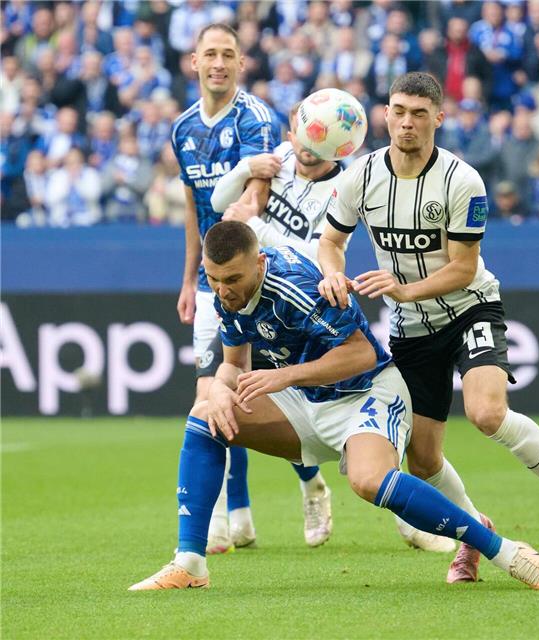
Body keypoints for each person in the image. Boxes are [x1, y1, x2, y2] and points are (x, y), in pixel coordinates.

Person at [128, 222, 539, 592]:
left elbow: (361, 355)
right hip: (308, 401)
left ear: (258, 263)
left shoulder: (296, 286)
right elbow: (233, 363)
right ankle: (190, 564)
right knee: (205, 416)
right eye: (214, 279)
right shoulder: (230, 293)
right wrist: (222, 388)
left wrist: (282, 376)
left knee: (368, 480)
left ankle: (505, 552)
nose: (223, 290)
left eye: (232, 280)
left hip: (366, 393)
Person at [317, 72, 539, 584]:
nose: (407, 122)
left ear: (438, 119)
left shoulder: (462, 180)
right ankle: (473, 530)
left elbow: (464, 267)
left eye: (419, 114)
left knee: (487, 412)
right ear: (385, 113)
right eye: (399, 110)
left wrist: (404, 289)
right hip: (412, 331)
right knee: (423, 459)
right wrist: (332, 273)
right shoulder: (358, 177)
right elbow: (330, 241)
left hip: (470, 308)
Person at [210, 102, 452, 553]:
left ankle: (407, 511)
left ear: (337, 142)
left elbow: (312, 253)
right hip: (258, 298)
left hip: (304, 304)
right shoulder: (275, 163)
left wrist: (255, 225)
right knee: (252, 401)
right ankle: (306, 490)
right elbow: (220, 205)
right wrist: (247, 170)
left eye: (316, 136)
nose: (305, 144)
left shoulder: (346, 184)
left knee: (337, 406)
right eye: (301, 133)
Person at [170, 23, 285, 554]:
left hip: (257, 279)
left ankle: (307, 486)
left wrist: (242, 201)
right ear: (193, 61)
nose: (218, 62)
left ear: (241, 63)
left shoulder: (257, 118)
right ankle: (226, 518)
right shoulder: (182, 129)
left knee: (249, 392)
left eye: (228, 55)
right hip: (209, 281)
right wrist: (189, 276)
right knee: (211, 394)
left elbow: (257, 198)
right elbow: (195, 209)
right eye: (210, 54)